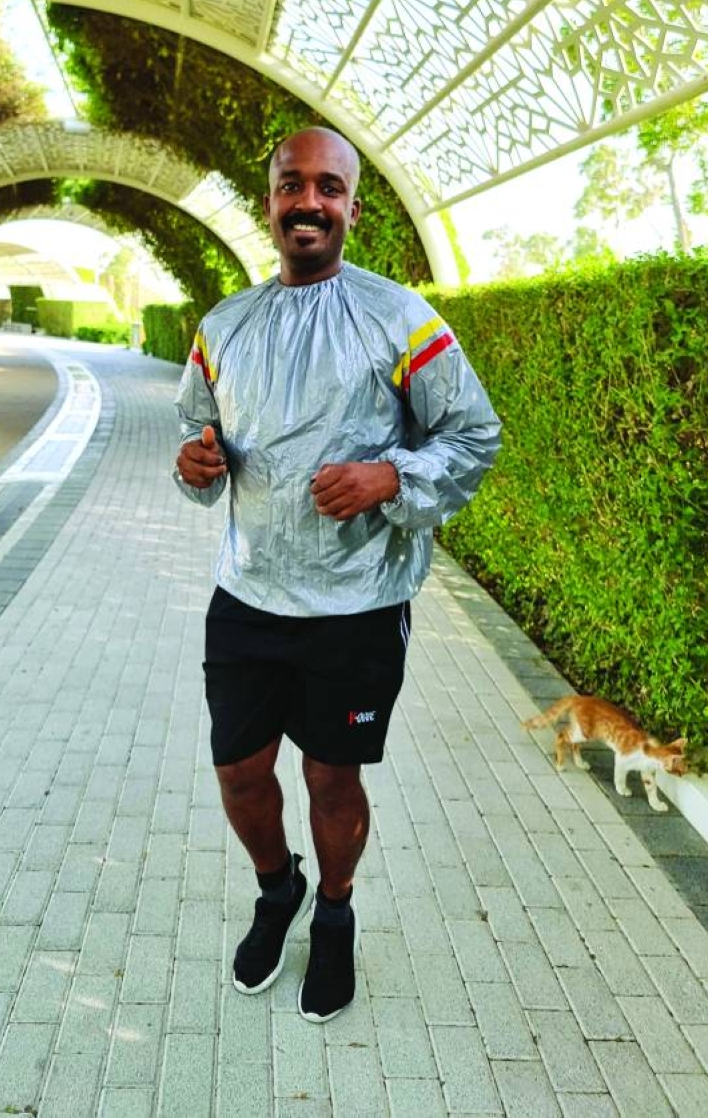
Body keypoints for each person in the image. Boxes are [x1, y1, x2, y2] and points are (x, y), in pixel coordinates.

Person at [173, 127, 500, 1022]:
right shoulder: (223, 327)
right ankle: (277, 889)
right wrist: (196, 463)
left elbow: (474, 436)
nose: (307, 201)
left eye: (328, 187)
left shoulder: (403, 321)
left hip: (356, 604)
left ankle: (336, 911)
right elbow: (201, 439)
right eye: (291, 184)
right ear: (270, 201)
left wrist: (390, 476)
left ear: (354, 206)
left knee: (331, 776)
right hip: (247, 595)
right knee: (239, 769)